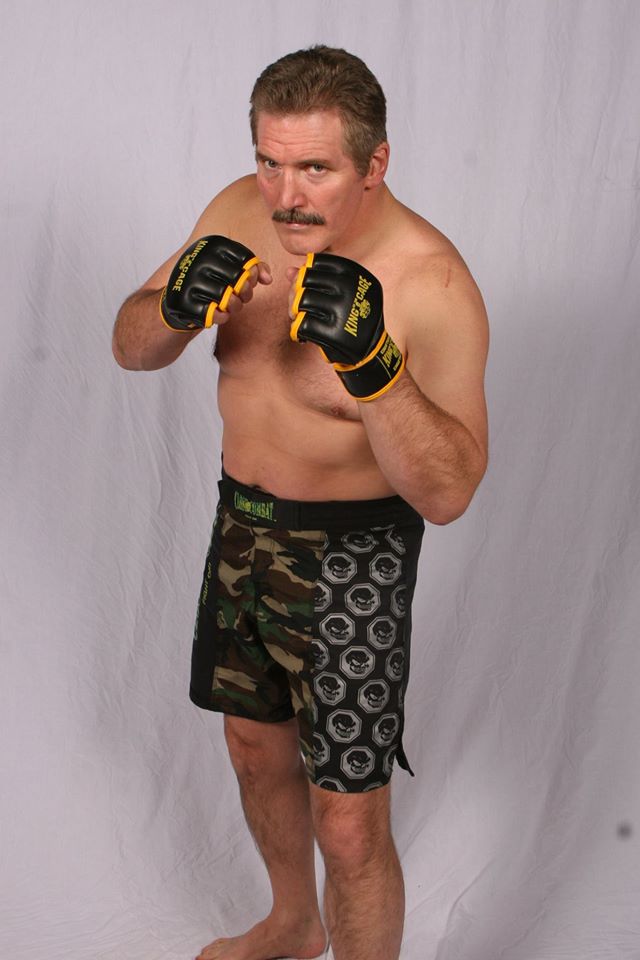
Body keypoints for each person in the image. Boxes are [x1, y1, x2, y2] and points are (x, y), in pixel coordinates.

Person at [112, 45, 488, 960]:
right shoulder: (236, 215)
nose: (287, 196)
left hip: (355, 555)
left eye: (315, 168)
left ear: (374, 162)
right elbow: (129, 345)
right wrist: (173, 309)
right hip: (240, 528)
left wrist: (375, 368)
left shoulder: (431, 279)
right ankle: (293, 923)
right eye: (269, 162)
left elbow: (449, 491)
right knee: (253, 750)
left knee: (349, 823)